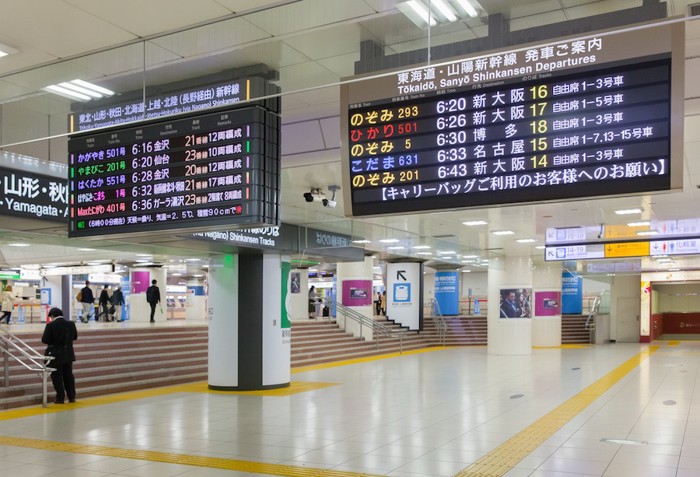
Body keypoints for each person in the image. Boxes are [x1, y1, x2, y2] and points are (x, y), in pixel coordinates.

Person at [42, 307, 78, 404]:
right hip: (68, 354)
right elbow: (74, 337)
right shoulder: (71, 324)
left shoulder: (50, 325)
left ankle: (60, 398)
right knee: (69, 376)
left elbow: (44, 340)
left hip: (55, 355)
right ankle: (72, 397)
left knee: (57, 377)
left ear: (53, 316)